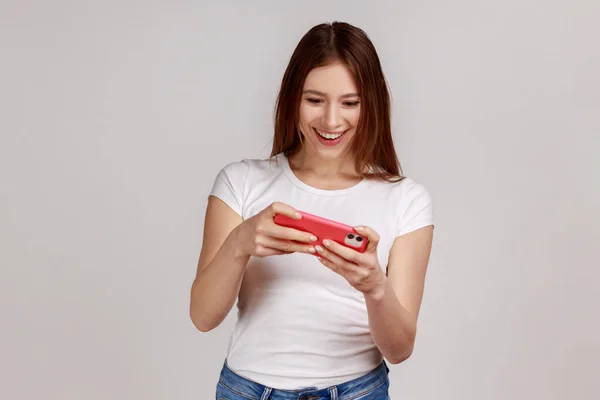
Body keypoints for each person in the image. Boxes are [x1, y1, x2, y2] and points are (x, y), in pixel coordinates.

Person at [190, 21, 435, 400]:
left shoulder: (406, 200)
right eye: (314, 100)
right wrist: (240, 242)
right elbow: (203, 317)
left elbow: (400, 349)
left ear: (372, 105)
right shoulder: (240, 182)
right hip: (246, 390)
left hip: (358, 391)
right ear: (292, 99)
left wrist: (374, 286)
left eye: (350, 103)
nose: (331, 121)